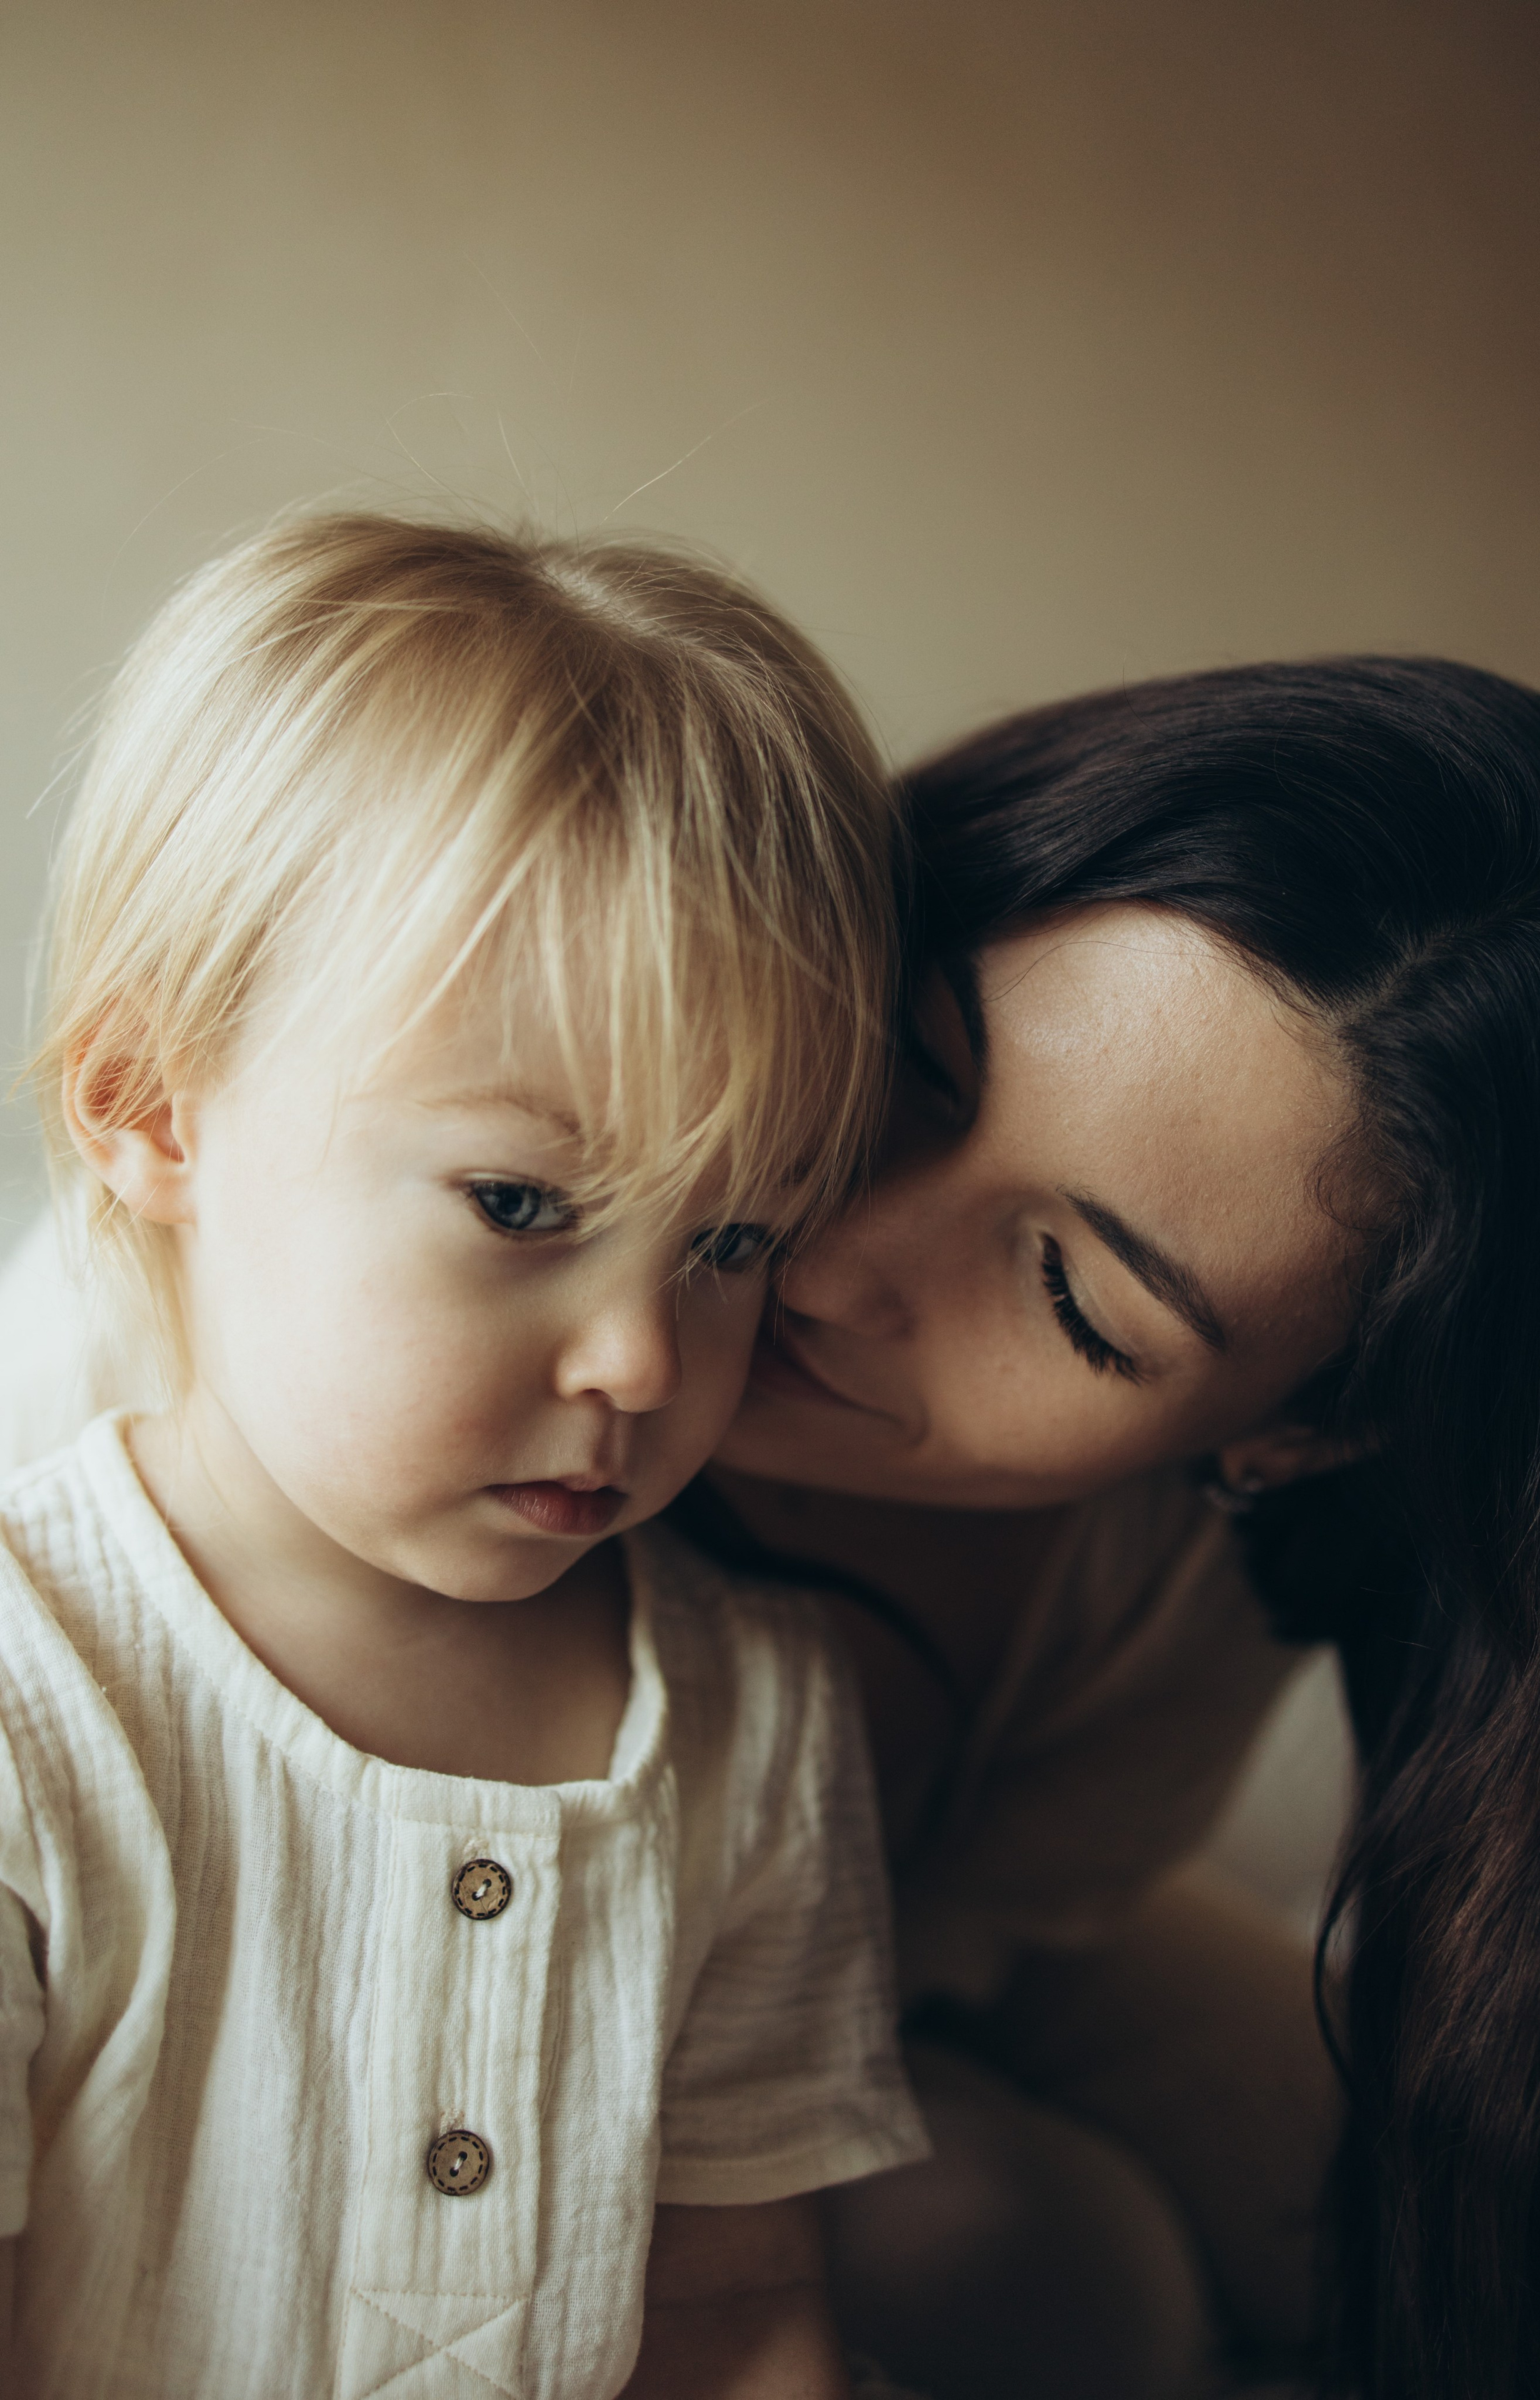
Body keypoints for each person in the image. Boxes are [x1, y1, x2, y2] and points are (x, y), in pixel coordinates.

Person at [0, 512, 931, 2400]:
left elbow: (739, 2313)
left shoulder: (753, 1721)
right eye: (521, 1201)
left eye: (733, 1240)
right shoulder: (36, 1696)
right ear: (152, 1107)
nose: (642, 1355)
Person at [695, 658, 1540, 2400]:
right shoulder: (240, 1350)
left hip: (923, 1954)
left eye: (1075, 1298)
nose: (826, 1256)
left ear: (1292, 1434)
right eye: (915, 1068)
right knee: (1033, 2260)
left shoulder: (1182, 1605)